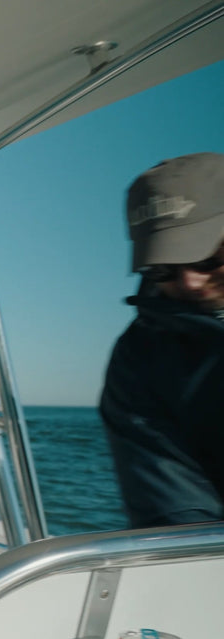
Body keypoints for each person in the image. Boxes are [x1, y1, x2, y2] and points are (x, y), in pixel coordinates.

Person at [101, 152, 224, 529]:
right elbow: (173, 509)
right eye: (163, 268)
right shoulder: (138, 359)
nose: (190, 283)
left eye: (208, 258)